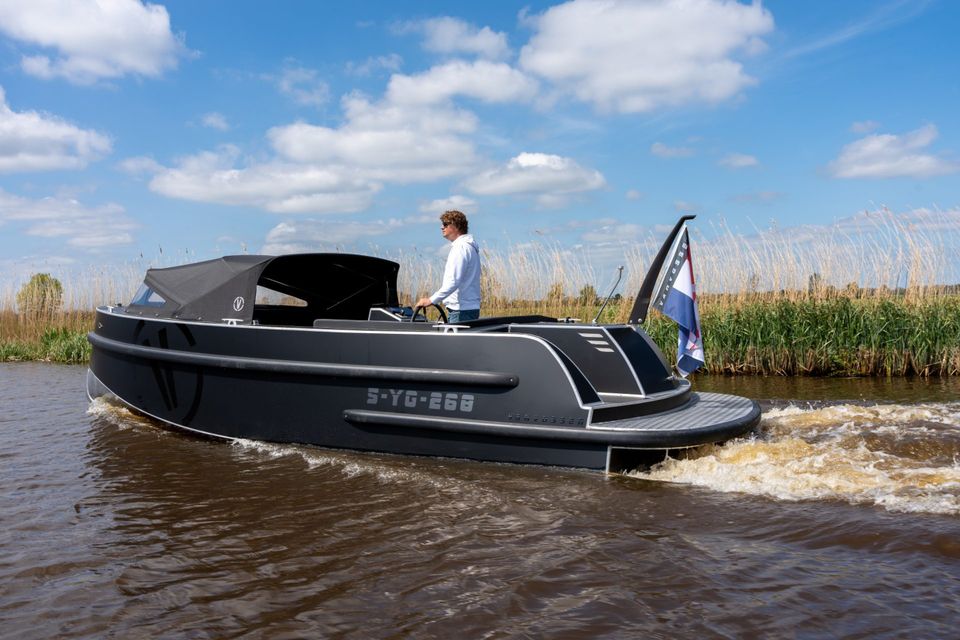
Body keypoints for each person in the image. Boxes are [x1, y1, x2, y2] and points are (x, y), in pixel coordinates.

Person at [416, 210, 481, 323]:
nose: (442, 227)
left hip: (460, 311)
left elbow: (453, 281)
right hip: (467, 309)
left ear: (456, 226)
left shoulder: (460, 248)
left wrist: (431, 300)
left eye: (445, 224)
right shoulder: (469, 247)